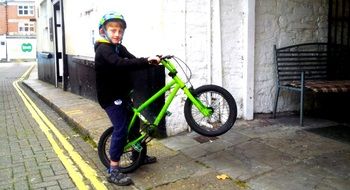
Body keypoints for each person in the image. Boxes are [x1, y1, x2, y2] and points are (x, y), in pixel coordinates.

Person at [94, 12, 160, 186]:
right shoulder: (104, 50)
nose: (117, 34)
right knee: (121, 128)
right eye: (113, 30)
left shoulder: (118, 48)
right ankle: (113, 170)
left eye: (120, 31)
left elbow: (132, 59)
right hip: (110, 97)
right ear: (103, 31)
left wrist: (152, 60)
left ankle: (138, 155)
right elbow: (119, 64)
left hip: (122, 94)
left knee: (134, 122)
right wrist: (145, 61)